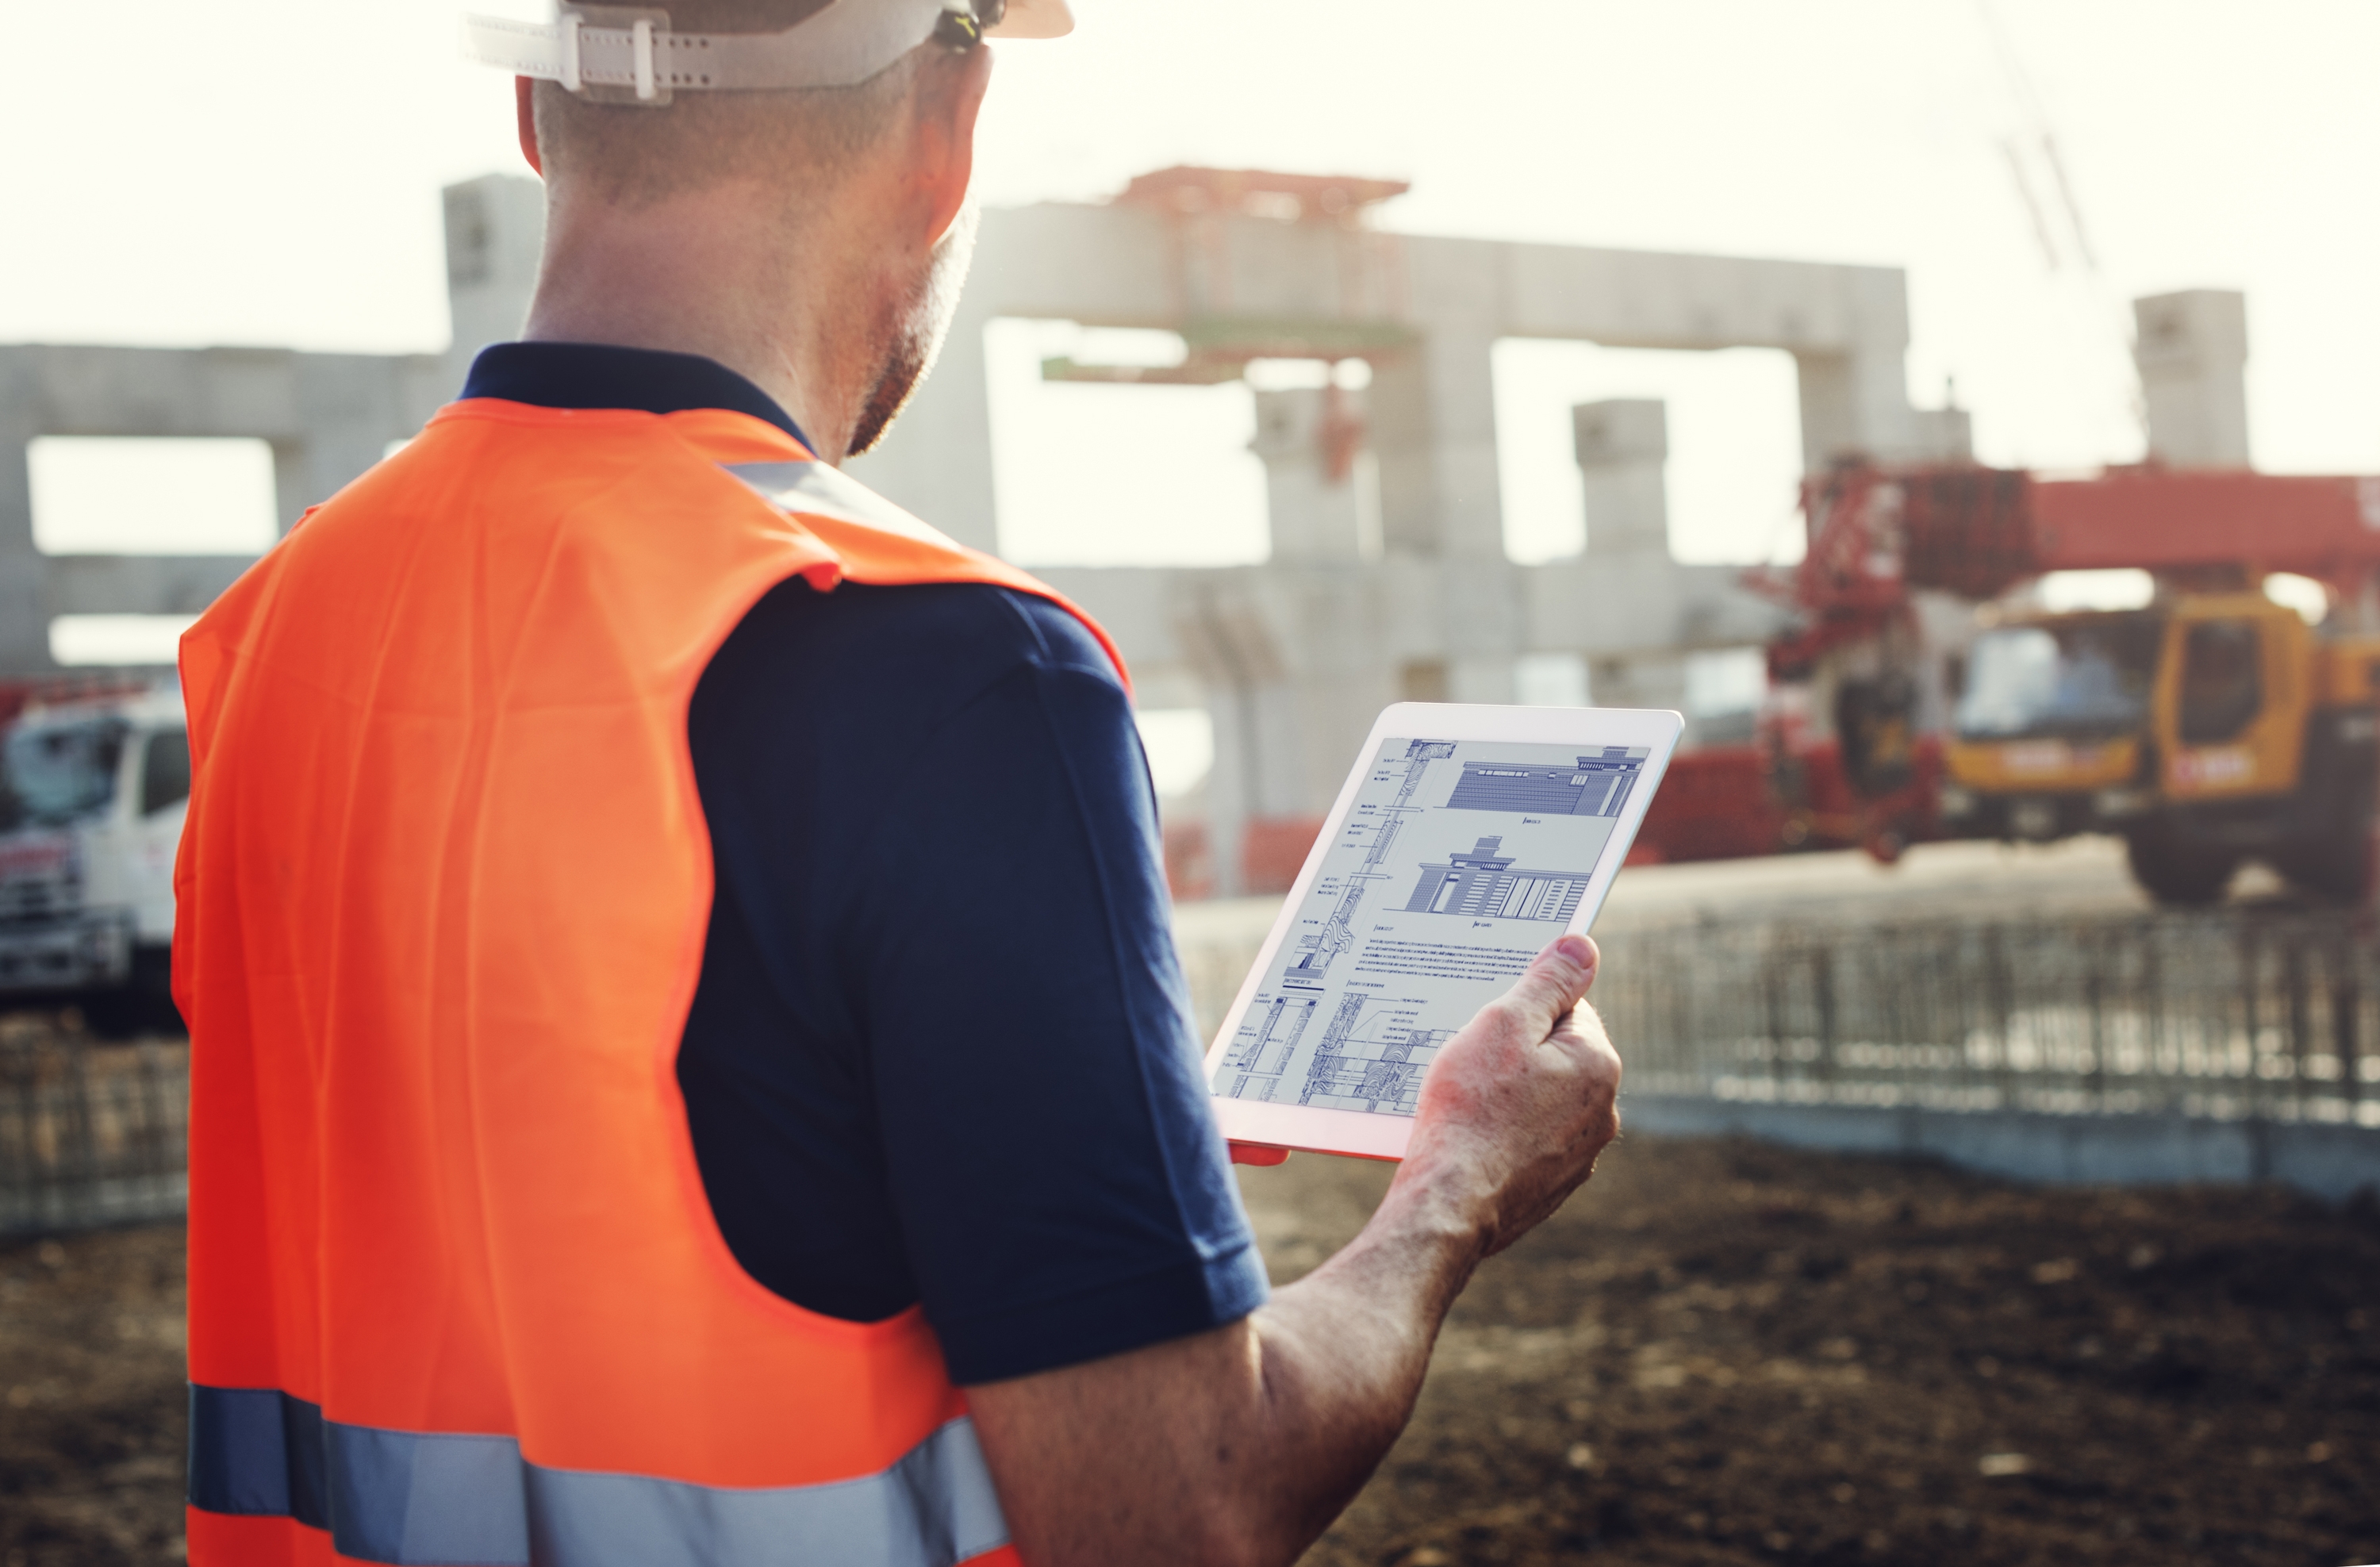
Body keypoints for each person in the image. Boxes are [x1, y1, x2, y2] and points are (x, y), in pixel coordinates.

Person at [176, 2, 1624, 1564]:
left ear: (532, 104)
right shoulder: (946, 668)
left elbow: (559, 1154)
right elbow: (1175, 1508)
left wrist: (1027, 1110)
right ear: (950, 136)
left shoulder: (282, 625)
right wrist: (1454, 1187)